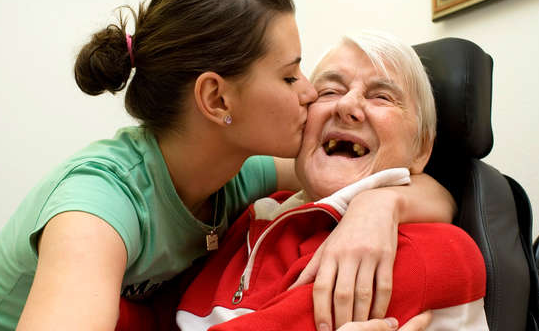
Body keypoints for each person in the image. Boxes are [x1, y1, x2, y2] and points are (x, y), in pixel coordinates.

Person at [0, 0, 453, 330]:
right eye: (291, 74)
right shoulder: (95, 210)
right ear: (217, 99)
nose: (310, 93)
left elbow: (398, 178)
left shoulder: (235, 172)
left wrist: (375, 207)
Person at [172, 32, 488, 330]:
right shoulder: (259, 213)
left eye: (381, 96)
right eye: (329, 92)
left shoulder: (420, 251)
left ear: (422, 149)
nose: (347, 106)